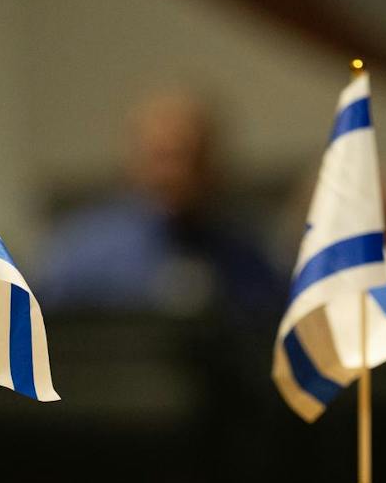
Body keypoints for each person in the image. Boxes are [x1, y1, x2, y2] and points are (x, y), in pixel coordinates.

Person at [38, 89, 282, 321]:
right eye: (162, 157)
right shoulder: (85, 255)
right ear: (134, 161)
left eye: (189, 157)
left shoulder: (247, 259)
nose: (174, 174)